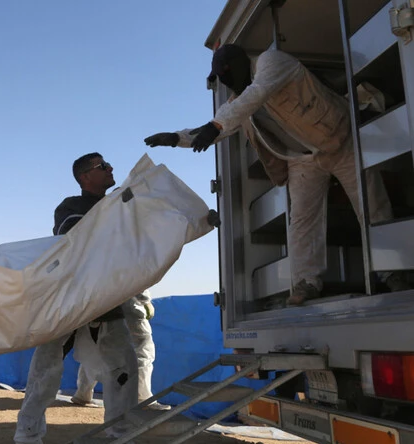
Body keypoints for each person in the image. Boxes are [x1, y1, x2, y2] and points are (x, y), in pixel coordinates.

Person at [144, 44, 405, 306]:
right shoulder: (237, 102)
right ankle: (306, 283)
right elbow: (217, 127)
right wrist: (176, 138)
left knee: (371, 204)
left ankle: (394, 272)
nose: (224, 79)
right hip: (302, 159)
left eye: (225, 72)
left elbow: (253, 97)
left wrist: (215, 125)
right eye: (219, 76)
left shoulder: (271, 62)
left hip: (337, 139)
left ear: (238, 63)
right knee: (302, 221)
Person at [12, 153, 138, 444]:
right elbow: (74, 234)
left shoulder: (121, 204)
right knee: (44, 374)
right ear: (85, 177)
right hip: (66, 304)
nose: (111, 169)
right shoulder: (70, 207)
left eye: (108, 165)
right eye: (103, 166)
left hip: (106, 304)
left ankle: (121, 441)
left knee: (124, 371)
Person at [71, 290, 171, 411]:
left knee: (94, 352)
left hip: (97, 310)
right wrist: (145, 300)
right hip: (128, 309)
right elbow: (136, 282)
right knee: (143, 353)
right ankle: (142, 398)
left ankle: (82, 394)